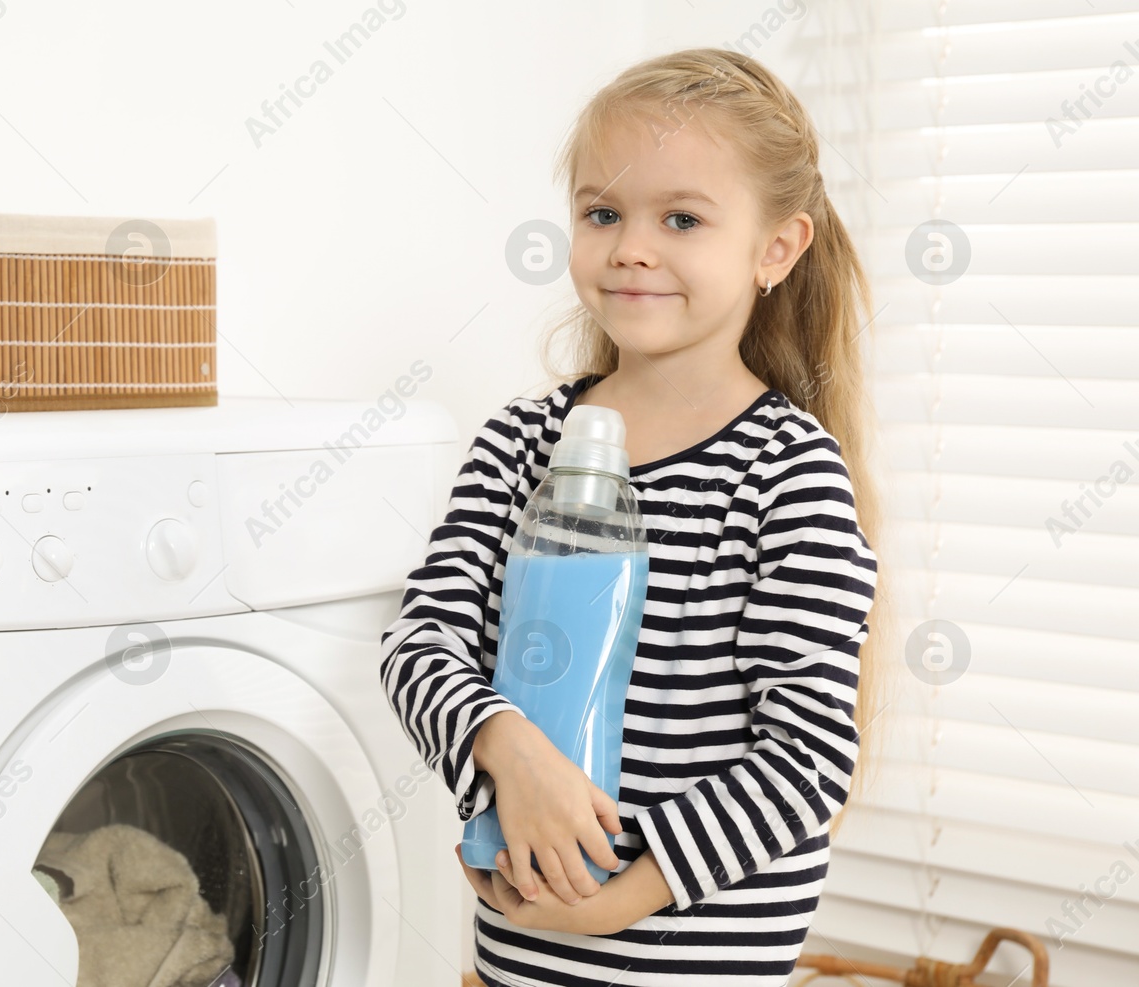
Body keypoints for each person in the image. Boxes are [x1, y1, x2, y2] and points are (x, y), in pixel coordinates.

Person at [379, 47, 888, 985]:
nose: (631, 247)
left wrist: (634, 888)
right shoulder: (520, 441)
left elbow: (809, 755)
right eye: (602, 212)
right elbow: (418, 644)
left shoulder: (788, 472)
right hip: (520, 956)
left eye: (682, 218)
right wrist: (510, 754)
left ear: (775, 248)